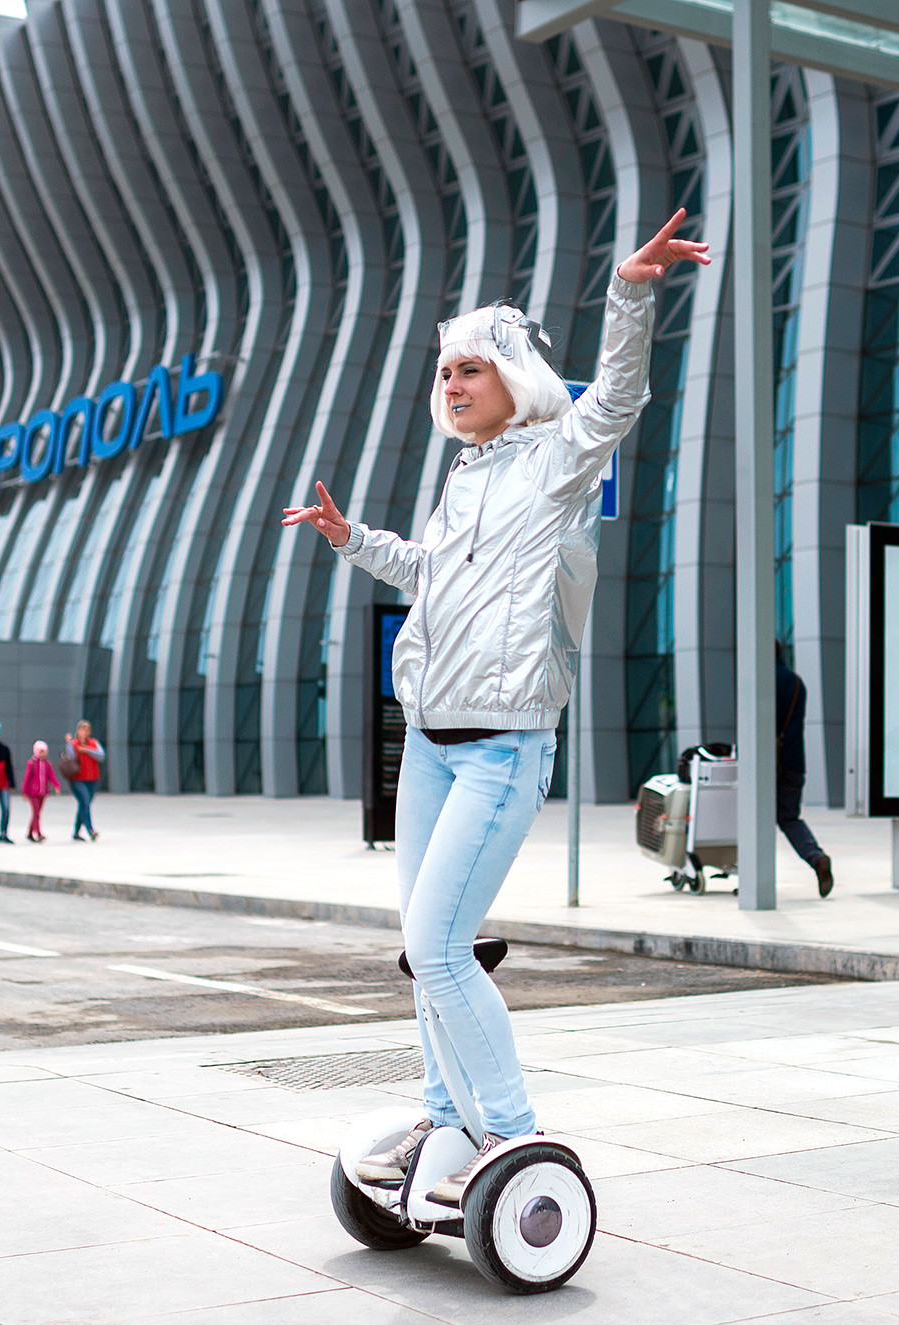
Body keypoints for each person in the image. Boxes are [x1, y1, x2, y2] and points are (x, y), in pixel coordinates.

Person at [290, 210, 708, 1206]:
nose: (452, 384)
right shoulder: (466, 477)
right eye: (445, 373)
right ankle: (446, 1117)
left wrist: (630, 289)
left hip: (501, 749)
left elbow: (617, 395)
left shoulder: (557, 457)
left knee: (440, 944)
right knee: (426, 951)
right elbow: (428, 570)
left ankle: (515, 1136)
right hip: (430, 746)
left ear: (511, 376)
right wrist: (353, 539)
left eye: (469, 368)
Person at [775, 641, 833, 896]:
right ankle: (815, 857)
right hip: (794, 761)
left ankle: (752, 878)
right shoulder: (796, 682)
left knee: (752, 818)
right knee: (788, 817)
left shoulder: (758, 679)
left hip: (766, 764)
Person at [65, 721, 105, 841]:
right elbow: (70, 756)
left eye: (87, 730)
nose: (85, 733)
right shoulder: (73, 744)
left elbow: (101, 755)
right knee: (85, 802)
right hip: (78, 779)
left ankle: (76, 831)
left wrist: (87, 750)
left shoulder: (93, 743)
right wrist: (68, 743)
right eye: (82, 730)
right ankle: (90, 830)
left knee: (84, 805)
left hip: (93, 779)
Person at [23, 740, 61, 842]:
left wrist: (56, 785)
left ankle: (30, 832)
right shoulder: (32, 763)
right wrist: (25, 792)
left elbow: (51, 776)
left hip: (43, 792)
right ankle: (38, 833)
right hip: (33, 792)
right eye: (40, 751)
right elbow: (27, 778)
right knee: (36, 813)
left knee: (37, 813)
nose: (42, 754)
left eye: (44, 751)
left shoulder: (47, 764)